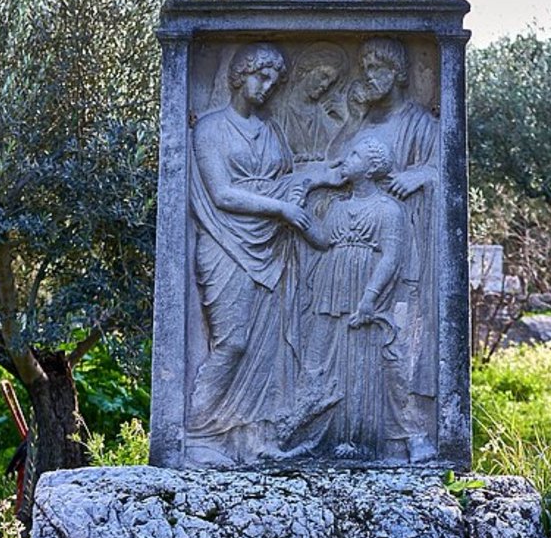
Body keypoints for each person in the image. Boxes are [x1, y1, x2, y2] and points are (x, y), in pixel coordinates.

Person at [187, 42, 319, 464]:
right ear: (239, 74)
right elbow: (223, 193)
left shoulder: (270, 130)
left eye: (273, 80)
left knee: (269, 347)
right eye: (259, 76)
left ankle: (254, 441)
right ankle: (196, 433)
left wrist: (319, 182)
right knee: (233, 342)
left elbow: (285, 179)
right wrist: (281, 208)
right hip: (226, 244)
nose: (266, 86)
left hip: (271, 247)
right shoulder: (210, 129)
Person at [332, 37, 439, 458]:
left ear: (398, 74)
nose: (369, 76)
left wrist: (422, 176)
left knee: (397, 348)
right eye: (365, 68)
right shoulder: (364, 127)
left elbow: (447, 169)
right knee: (360, 349)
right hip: (360, 257)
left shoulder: (421, 124)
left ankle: (413, 435)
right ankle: (360, 434)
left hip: (404, 250)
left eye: (378, 68)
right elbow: (342, 169)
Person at [282, 138, 410, 461]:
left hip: (363, 290)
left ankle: (355, 439)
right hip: (331, 289)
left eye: (354, 154)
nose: (346, 158)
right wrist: (300, 215)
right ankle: (305, 430)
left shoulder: (388, 210)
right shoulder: (338, 207)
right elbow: (324, 241)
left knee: (358, 363)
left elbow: (390, 258)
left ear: (370, 168)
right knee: (319, 360)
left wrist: (369, 299)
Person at [282, 42, 348, 165]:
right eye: (324, 76)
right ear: (305, 71)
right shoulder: (280, 111)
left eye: (331, 83)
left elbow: (345, 150)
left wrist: (345, 116)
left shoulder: (322, 115)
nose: (326, 86)